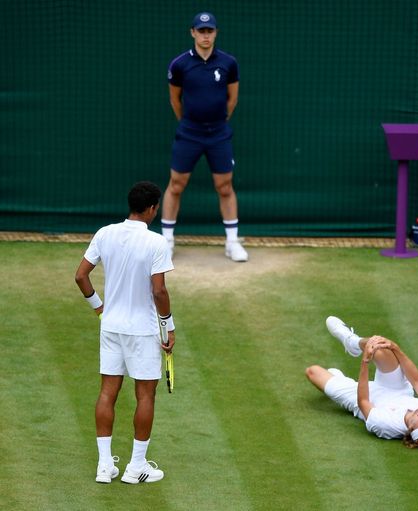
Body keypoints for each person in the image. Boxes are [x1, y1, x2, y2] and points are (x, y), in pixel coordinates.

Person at [75, 181, 175, 483]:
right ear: (153, 208)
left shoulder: (104, 233)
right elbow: (159, 291)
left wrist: (99, 308)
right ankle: (136, 467)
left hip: (111, 326)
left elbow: (81, 276)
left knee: (108, 392)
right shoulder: (157, 243)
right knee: (146, 395)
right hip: (142, 331)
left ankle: (104, 466)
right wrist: (168, 328)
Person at [162, 12, 248, 262]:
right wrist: (190, 123)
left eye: (210, 31)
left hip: (219, 133)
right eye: (201, 31)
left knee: (225, 186)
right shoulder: (179, 64)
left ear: (216, 33)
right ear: (192, 33)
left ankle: (232, 243)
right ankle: (167, 241)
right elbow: (174, 100)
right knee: (176, 185)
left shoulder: (229, 63)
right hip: (189, 132)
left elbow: (232, 100)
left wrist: (217, 121)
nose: (205, 35)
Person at [306, 317, 418, 448]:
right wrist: (395, 348)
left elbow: (363, 401)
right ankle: (352, 342)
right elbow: (417, 381)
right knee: (379, 346)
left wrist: (365, 361)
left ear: (410, 429)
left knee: (313, 372)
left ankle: (340, 380)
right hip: (397, 388)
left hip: (368, 398)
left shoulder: (384, 425)